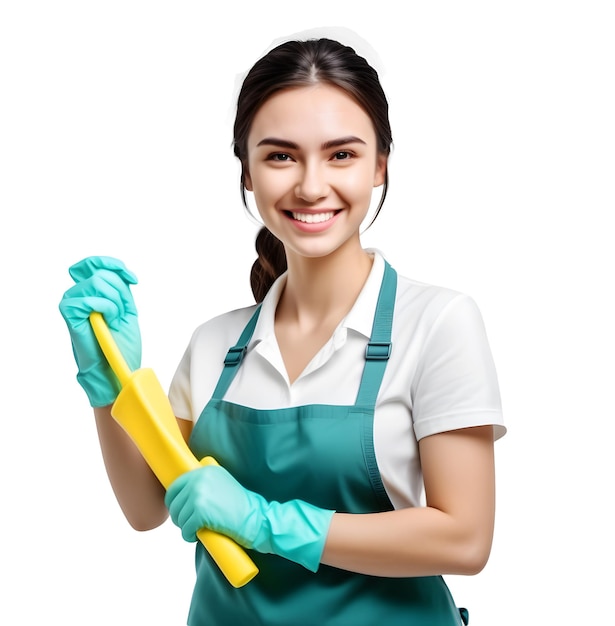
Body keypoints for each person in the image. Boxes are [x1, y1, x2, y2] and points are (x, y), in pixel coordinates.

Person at [59, 36, 505, 625]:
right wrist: (111, 379)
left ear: (380, 166)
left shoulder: (437, 324)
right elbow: (147, 507)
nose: (311, 186)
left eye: (341, 155)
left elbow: (464, 539)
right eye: (281, 156)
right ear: (247, 171)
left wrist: (264, 522)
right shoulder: (216, 346)